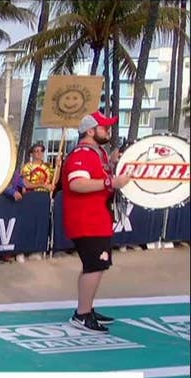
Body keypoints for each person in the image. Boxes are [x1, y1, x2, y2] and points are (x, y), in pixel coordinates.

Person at [62, 111, 132, 333]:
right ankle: (82, 314)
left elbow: (94, 178)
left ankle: (86, 309)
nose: (108, 131)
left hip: (96, 218)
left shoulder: (97, 152)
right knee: (94, 266)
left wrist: (110, 164)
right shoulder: (82, 153)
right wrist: (111, 180)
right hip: (87, 220)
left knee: (96, 266)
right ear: (91, 131)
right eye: (104, 127)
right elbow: (77, 184)